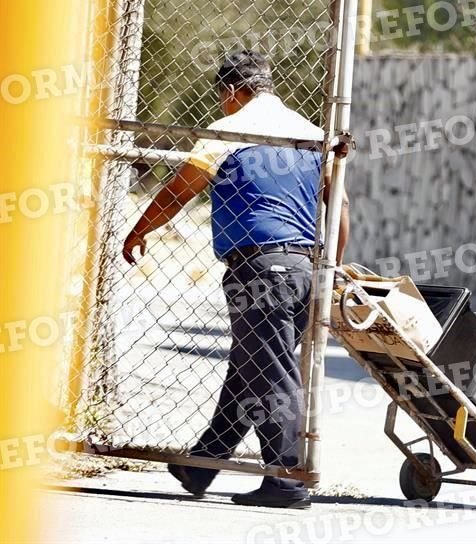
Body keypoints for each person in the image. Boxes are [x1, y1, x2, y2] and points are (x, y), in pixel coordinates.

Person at [122, 50, 349, 509]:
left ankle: (287, 480)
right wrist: (330, 270)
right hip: (304, 269)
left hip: (258, 270)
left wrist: (139, 229)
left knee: (270, 374)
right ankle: (202, 463)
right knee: (252, 368)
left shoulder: (227, 133)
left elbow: (178, 191)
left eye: (221, 96)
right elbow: (340, 206)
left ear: (230, 92)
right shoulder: (310, 134)